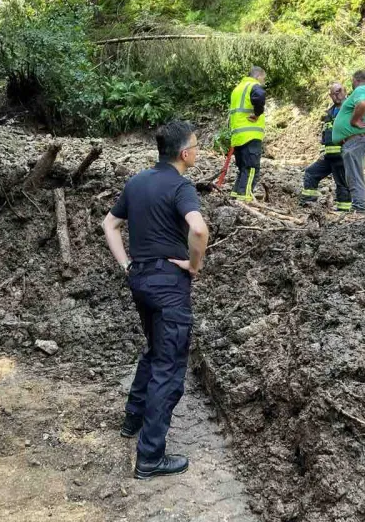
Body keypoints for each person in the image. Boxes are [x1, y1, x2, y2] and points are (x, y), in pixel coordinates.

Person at [101, 120, 210, 480]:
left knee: (153, 350)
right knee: (169, 365)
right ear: (184, 153)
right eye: (196, 145)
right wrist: (194, 265)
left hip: (141, 279)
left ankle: (132, 420)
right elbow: (198, 229)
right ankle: (150, 457)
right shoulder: (181, 186)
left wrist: (126, 264)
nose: (198, 149)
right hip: (169, 285)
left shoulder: (137, 182)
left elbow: (109, 225)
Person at [331, 70, 365, 213]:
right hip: (359, 140)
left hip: (355, 140)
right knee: (354, 174)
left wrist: (354, 120)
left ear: (355, 80)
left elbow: (363, 104)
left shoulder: (361, 90)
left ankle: (359, 208)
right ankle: (359, 207)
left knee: (354, 175)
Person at [300, 83, 352, 211]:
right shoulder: (329, 113)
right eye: (333, 93)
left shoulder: (350, 109)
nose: (337, 95)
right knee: (311, 173)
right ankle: (309, 203)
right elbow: (325, 136)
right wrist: (323, 151)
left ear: (345, 91)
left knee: (342, 183)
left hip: (342, 155)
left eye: (339, 91)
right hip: (328, 156)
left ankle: (344, 210)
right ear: (330, 96)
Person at [228, 66, 267, 202]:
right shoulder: (253, 85)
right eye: (263, 78)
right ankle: (244, 199)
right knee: (251, 169)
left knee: (243, 170)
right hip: (250, 135)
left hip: (238, 136)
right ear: (258, 76)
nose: (263, 81)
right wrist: (257, 113)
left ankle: (235, 197)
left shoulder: (237, 89)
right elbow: (260, 95)